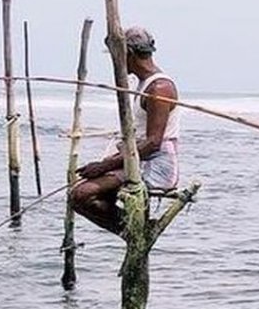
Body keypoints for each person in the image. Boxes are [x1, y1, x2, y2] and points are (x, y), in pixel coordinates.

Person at [70, 26, 181, 235]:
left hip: (155, 164)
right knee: (82, 194)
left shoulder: (159, 88)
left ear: (127, 53)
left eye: (116, 55)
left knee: (81, 195)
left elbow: (152, 143)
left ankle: (137, 235)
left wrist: (103, 166)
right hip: (135, 160)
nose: (115, 61)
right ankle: (135, 232)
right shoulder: (142, 83)